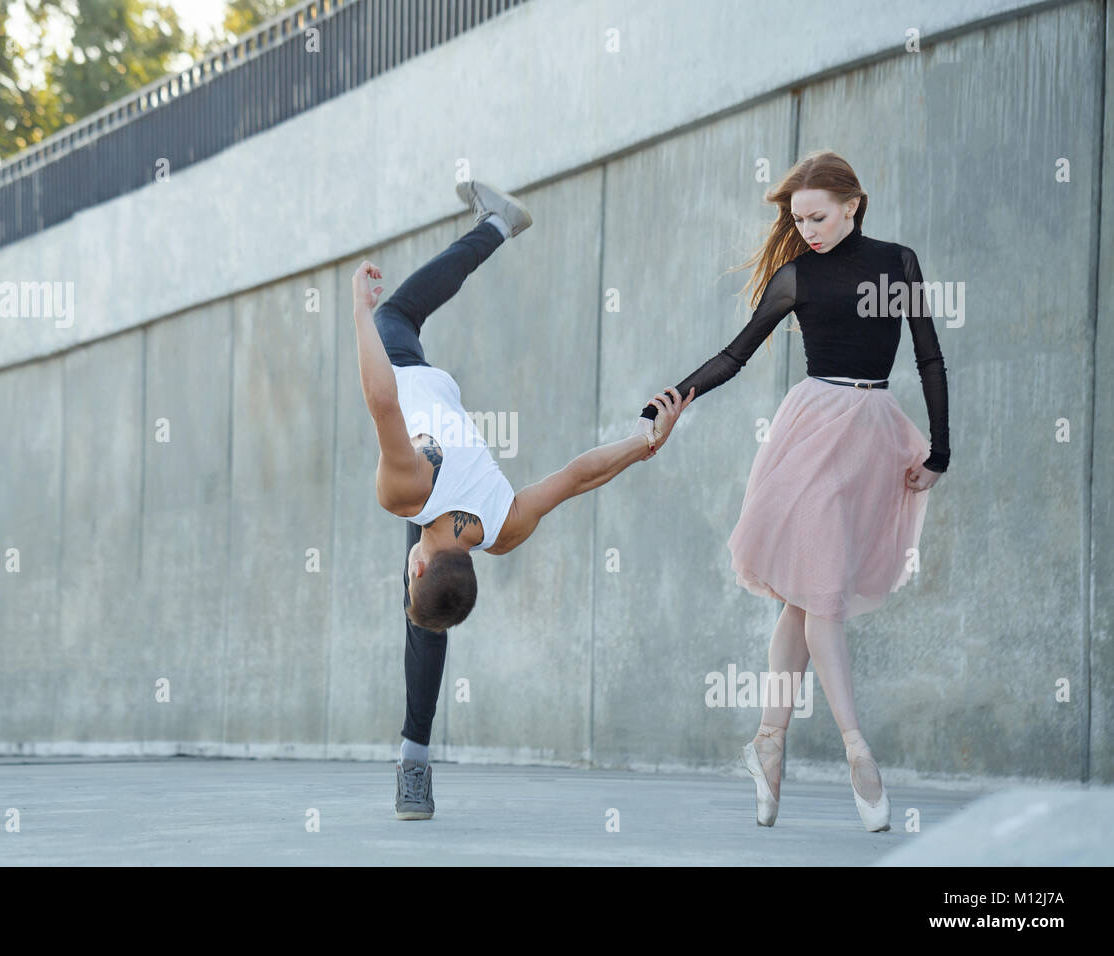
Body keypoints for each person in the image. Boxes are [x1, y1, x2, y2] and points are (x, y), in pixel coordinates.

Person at [352, 180, 693, 820]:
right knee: (392, 315)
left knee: (429, 617)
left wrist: (645, 440)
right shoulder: (403, 492)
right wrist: (357, 307)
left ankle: (499, 225)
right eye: (409, 577)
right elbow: (380, 401)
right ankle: (499, 225)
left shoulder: (507, 528)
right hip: (416, 396)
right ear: (416, 564)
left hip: (427, 399)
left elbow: (577, 475)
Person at [637, 149, 950, 831]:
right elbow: (734, 353)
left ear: (852, 205)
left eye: (818, 216)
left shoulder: (897, 264)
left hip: (874, 437)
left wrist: (941, 450)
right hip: (810, 437)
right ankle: (857, 752)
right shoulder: (797, 277)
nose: (807, 228)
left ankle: (768, 741)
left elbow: (927, 353)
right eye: (798, 218)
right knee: (824, 600)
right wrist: (670, 400)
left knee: (806, 600)